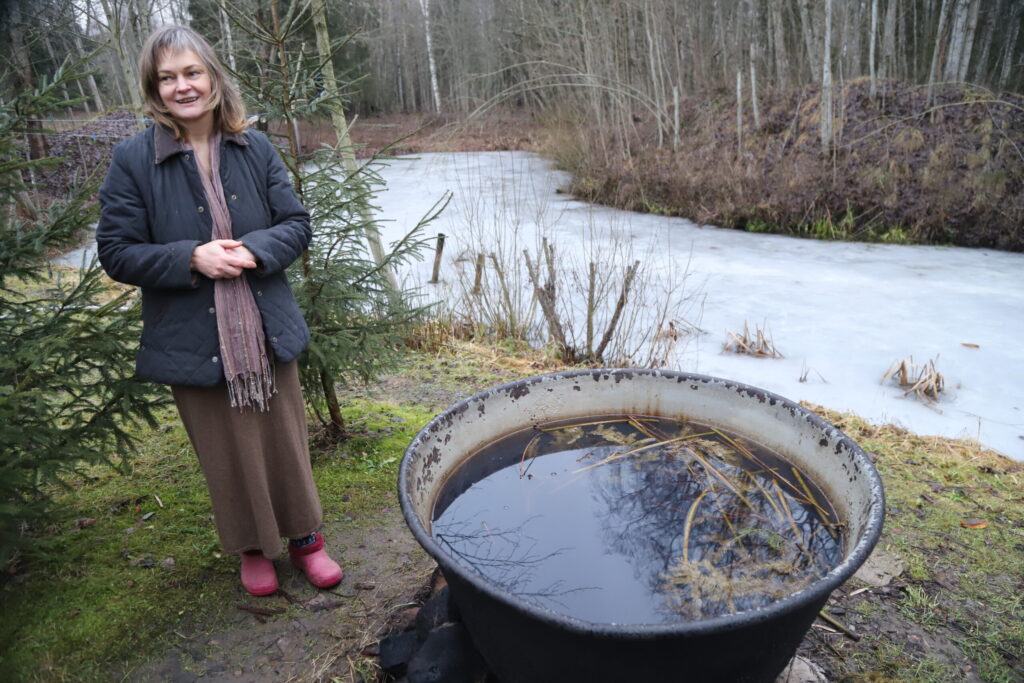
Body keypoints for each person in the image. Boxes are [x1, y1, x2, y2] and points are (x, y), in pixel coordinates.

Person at [97, 25, 342, 596]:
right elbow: (117, 252)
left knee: (284, 435)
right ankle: (252, 548)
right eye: (168, 77)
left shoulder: (253, 146)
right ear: (154, 88)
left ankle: (307, 539)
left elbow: (297, 224)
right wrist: (191, 258)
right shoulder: (133, 159)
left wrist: (256, 249)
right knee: (224, 448)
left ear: (212, 76)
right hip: (190, 335)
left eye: (192, 72)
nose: (183, 86)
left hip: (265, 323)